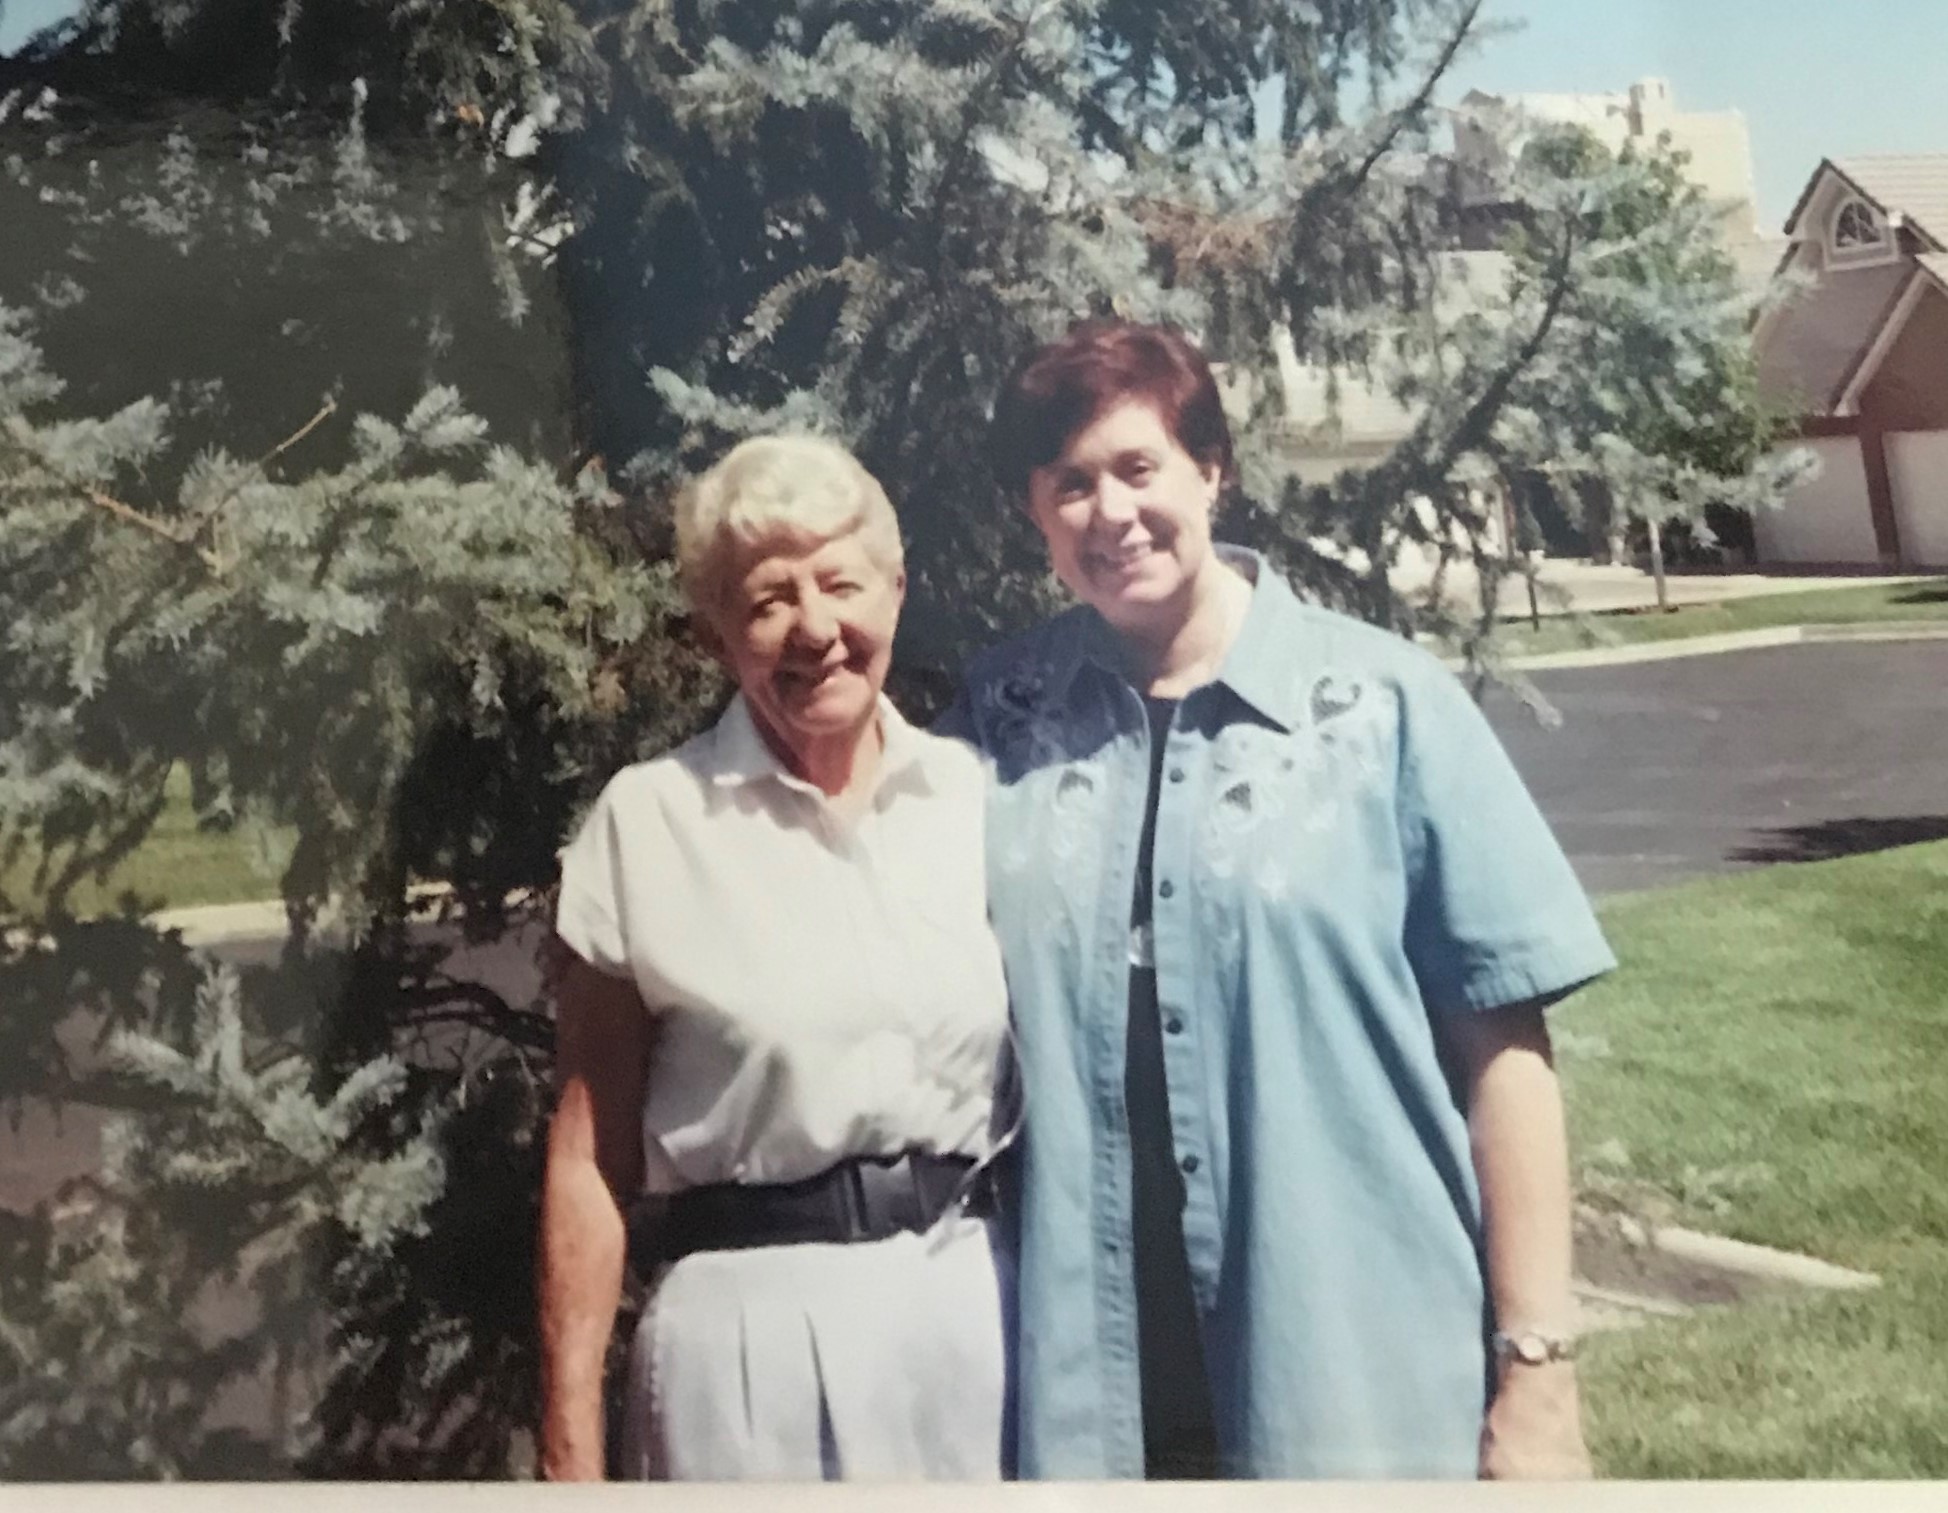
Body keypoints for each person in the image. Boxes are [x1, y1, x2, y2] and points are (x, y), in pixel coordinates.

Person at [948, 319, 1616, 1480]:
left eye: (1138, 467)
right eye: (1070, 484)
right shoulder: (998, 720)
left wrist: (1538, 1364)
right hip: (1081, 1387)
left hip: (1352, 1368)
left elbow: (1503, 1048)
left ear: (1214, 471)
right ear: (1035, 512)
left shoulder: (1387, 707)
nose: (1109, 512)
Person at [538, 435, 1012, 1481]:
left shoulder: (973, 800)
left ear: (895, 589)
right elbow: (587, 1157)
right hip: (742, 1350)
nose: (816, 629)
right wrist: (570, 1439)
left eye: (841, 584)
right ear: (718, 636)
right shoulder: (653, 823)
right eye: (766, 601)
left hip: (972, 1319)